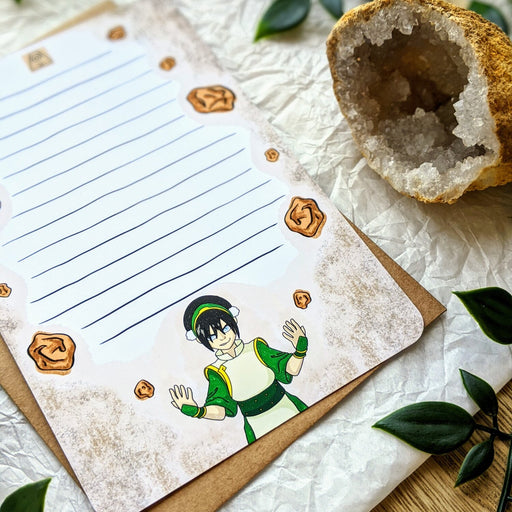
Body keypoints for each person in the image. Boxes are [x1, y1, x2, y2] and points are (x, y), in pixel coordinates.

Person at [169, 295, 308, 444]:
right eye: (213, 336)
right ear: (201, 341)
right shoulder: (216, 371)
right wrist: (197, 411)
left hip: (289, 408)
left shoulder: (256, 348)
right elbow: (220, 409)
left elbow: (291, 369)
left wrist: (300, 349)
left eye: (225, 329)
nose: (222, 337)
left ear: (234, 321)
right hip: (258, 427)